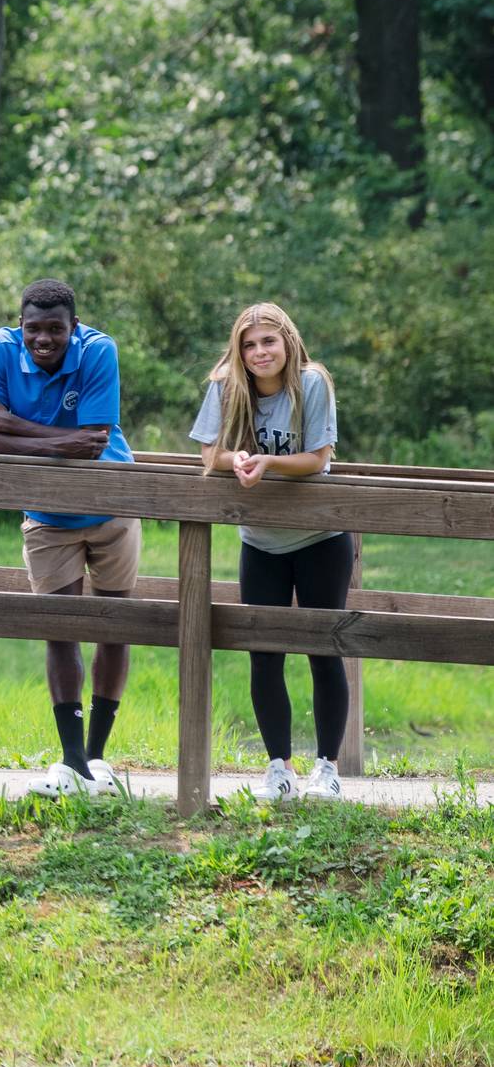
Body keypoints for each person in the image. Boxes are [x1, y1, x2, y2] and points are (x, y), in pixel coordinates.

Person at [0, 278, 137, 799]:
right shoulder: (0, 348)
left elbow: (93, 444)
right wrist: (56, 440)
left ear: (73, 327)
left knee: (113, 625)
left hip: (111, 504)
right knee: (60, 630)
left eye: (56, 330)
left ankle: (98, 757)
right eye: (33, 329)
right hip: (45, 514)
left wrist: (11, 422)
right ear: (20, 326)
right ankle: (72, 761)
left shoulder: (98, 351)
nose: (44, 340)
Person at [190, 303, 349, 802]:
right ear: (239, 351)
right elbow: (208, 454)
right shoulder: (226, 386)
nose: (259, 352)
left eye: (268, 342)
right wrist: (234, 457)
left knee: (324, 650)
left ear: (287, 342)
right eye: (249, 344)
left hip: (320, 539)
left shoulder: (312, 383)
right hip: (260, 542)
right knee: (264, 654)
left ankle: (327, 769)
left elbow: (318, 459)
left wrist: (268, 462)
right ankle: (279, 769)